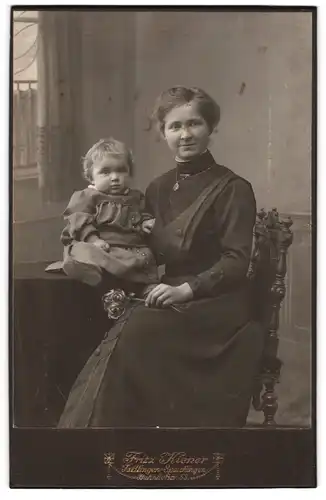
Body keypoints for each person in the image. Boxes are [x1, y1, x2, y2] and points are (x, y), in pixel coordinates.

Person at [58, 86, 264, 429]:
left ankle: (129, 442)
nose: (185, 135)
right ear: (163, 133)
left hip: (216, 303)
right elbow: (135, 241)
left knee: (134, 331)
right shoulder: (157, 188)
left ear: (211, 128)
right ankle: (104, 447)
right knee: (112, 326)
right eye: (175, 126)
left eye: (194, 124)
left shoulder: (233, 189)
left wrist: (187, 289)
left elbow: (237, 261)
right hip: (166, 289)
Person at [59, 138, 158, 296]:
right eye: (105, 172)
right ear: (91, 177)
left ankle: (143, 287)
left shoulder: (135, 197)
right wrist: (93, 240)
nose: (114, 177)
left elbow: (143, 213)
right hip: (100, 247)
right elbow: (79, 221)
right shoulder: (86, 196)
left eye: (121, 170)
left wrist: (145, 221)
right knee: (81, 249)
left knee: (144, 256)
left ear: (129, 173)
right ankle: (88, 271)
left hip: (129, 249)